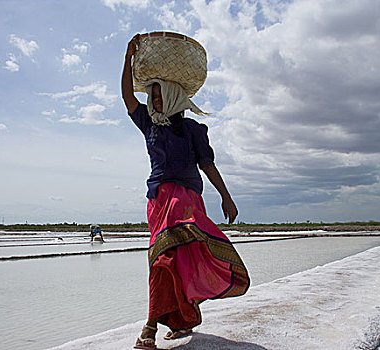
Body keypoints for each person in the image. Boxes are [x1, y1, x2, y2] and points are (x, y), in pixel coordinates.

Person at [122, 34, 250, 350]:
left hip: (186, 200)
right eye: (152, 95)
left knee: (167, 259)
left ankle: (150, 326)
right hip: (158, 200)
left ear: (173, 95)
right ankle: (181, 321)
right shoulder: (149, 124)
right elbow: (127, 96)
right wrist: (127, 58)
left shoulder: (193, 130)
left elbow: (207, 165)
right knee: (166, 261)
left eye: (160, 95)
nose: (156, 101)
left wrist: (226, 195)